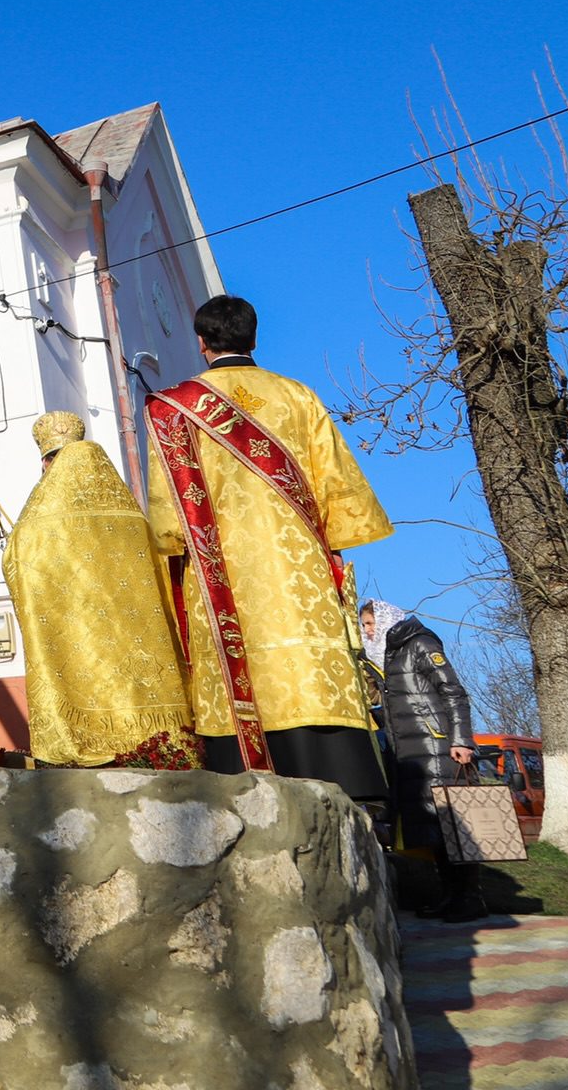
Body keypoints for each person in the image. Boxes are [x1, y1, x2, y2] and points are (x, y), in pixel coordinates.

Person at [146, 294, 392, 798]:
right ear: (254, 338)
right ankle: (343, 776)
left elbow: (170, 520)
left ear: (201, 342)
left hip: (222, 573)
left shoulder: (174, 408)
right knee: (309, 667)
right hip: (298, 567)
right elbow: (338, 486)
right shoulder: (298, 397)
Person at [1, 413, 194, 766]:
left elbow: (16, 569)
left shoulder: (35, 526)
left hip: (78, 652)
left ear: (46, 463)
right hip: (141, 651)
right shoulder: (135, 519)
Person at [361, 600, 485, 920]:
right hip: (410, 752)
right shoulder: (384, 658)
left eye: (371, 623)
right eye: (364, 625)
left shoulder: (419, 644)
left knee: (453, 824)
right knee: (434, 828)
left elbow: (453, 691)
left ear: (386, 620)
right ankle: (450, 895)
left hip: (438, 745)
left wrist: (461, 739)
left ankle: (470, 897)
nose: (367, 631)